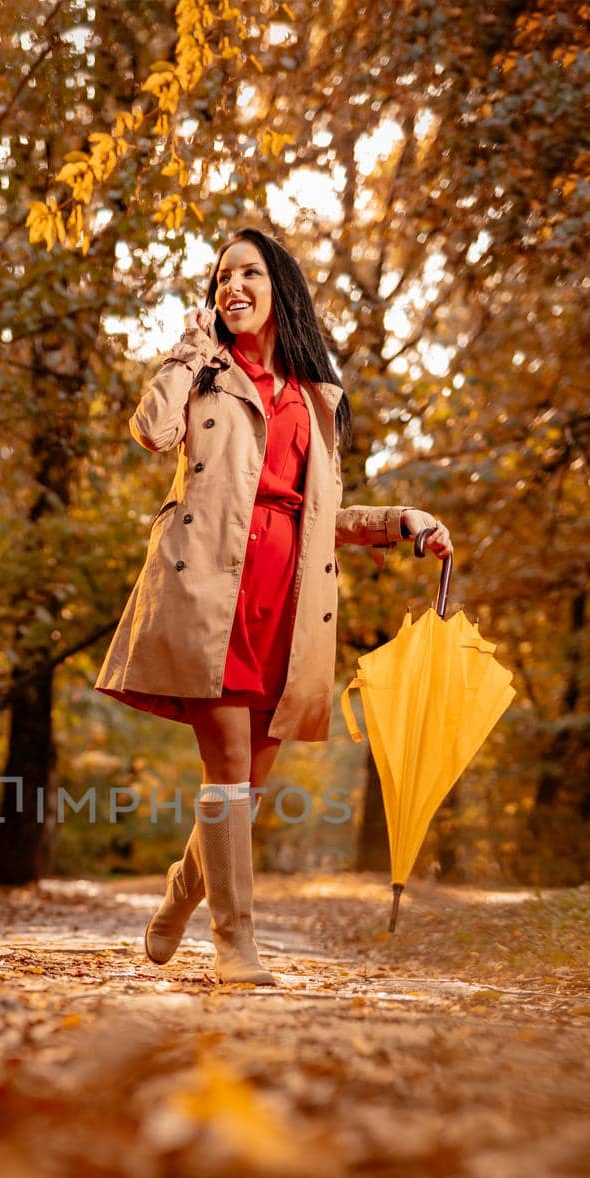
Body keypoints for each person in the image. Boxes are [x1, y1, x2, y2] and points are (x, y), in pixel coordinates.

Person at [94, 226, 453, 986]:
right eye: (222, 278)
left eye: (248, 273)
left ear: (278, 286)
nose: (232, 287)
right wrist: (186, 352)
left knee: (246, 792)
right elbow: (152, 432)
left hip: (288, 605)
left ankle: (178, 895)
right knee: (224, 773)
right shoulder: (203, 375)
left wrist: (400, 523)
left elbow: (321, 513)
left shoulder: (315, 397)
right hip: (207, 590)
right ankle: (236, 946)